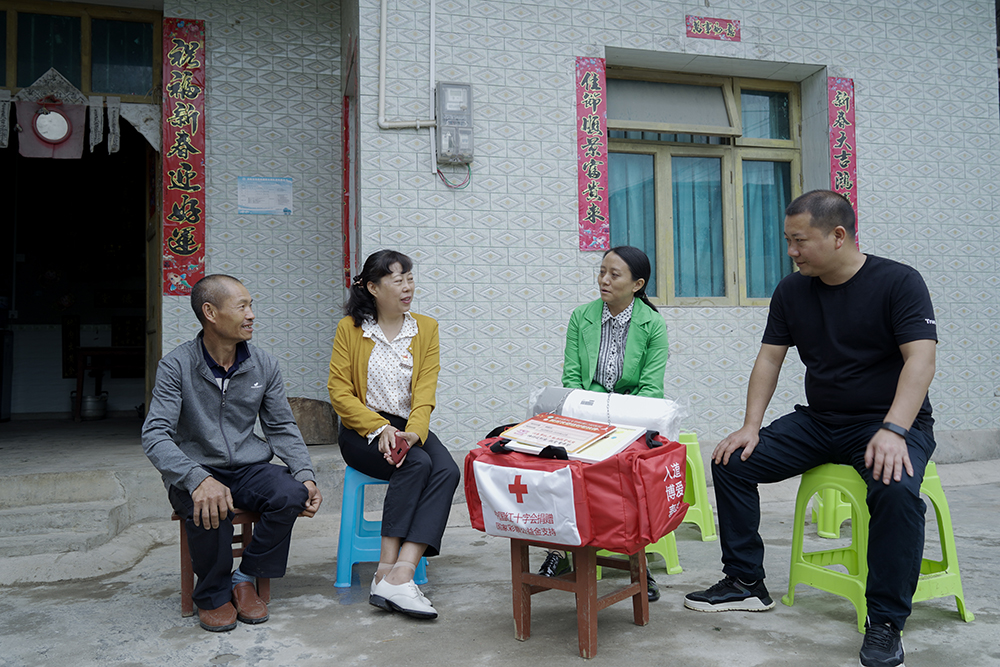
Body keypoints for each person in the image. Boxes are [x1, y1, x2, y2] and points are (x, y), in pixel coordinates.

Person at [683, 190, 937, 667]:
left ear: (838, 236)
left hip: (888, 423)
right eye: (787, 240)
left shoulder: (898, 282)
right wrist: (751, 426)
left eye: (799, 241)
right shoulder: (792, 291)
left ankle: (885, 621)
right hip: (821, 421)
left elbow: (920, 360)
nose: (791, 251)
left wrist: (894, 429)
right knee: (732, 460)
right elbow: (769, 358)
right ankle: (745, 582)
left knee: (897, 490)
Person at [142, 275, 323, 632]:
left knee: (291, 494)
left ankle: (245, 577)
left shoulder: (264, 364)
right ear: (210, 313)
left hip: (247, 467)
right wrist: (196, 478)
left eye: (251, 305)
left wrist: (305, 474)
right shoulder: (176, 365)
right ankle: (212, 593)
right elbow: (155, 434)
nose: (251, 314)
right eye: (242, 307)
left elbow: (281, 427)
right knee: (209, 504)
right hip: (194, 469)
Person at [328, 249, 460, 620]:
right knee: (415, 465)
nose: (407, 287)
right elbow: (339, 392)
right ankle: (385, 571)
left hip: (408, 424)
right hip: (362, 427)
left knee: (447, 470)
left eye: (410, 278)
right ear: (373, 287)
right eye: (398, 280)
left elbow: (425, 393)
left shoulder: (426, 328)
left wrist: (412, 434)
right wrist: (379, 427)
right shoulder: (350, 329)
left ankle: (401, 572)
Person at [541, 245, 669, 602]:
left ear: (637, 284)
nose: (604, 280)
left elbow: (651, 388)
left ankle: (637, 565)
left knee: (628, 474)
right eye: (601, 272)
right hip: (584, 415)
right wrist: (588, 418)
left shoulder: (653, 324)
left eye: (614, 274)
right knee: (560, 467)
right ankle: (558, 551)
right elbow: (571, 378)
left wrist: (617, 420)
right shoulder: (581, 317)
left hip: (630, 418)